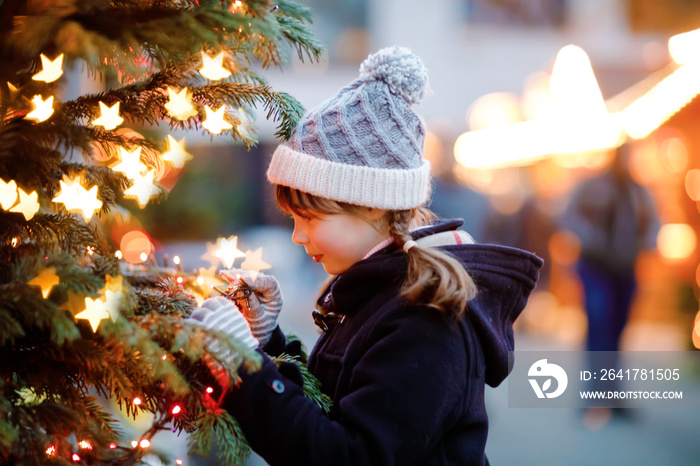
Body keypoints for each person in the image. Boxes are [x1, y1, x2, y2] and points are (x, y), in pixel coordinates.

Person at [188, 47, 543, 466]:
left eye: (310, 216)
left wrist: (245, 366)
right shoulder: (379, 289)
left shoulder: (426, 321)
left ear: (372, 204)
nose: (299, 236)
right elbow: (336, 400)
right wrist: (269, 343)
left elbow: (345, 453)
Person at [563, 143, 660, 354]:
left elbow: (654, 224)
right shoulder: (592, 187)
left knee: (619, 325)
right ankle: (597, 375)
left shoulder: (639, 192)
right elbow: (569, 217)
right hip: (595, 265)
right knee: (599, 319)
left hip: (626, 268)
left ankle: (610, 376)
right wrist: (589, 238)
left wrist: (647, 243)